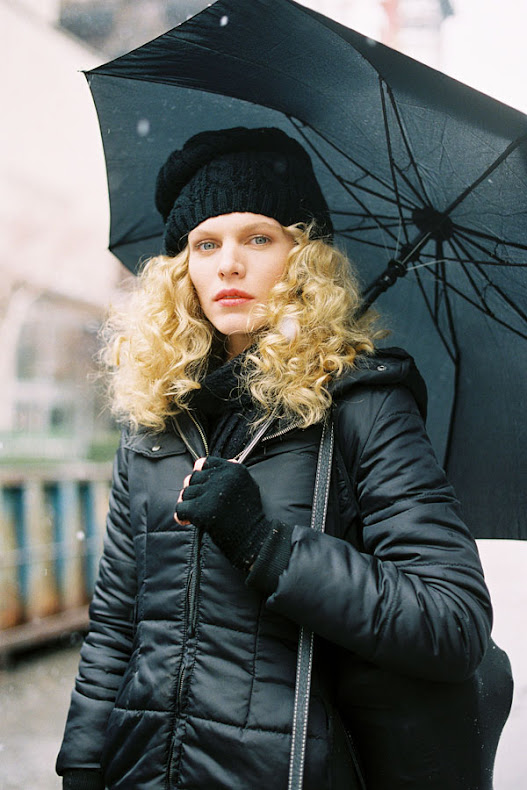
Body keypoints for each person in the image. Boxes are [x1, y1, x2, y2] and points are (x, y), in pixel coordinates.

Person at [56, 127, 511, 790]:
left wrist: (267, 546)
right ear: (181, 269)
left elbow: (451, 622)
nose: (228, 265)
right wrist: (82, 763)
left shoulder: (362, 406)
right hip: (143, 773)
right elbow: (116, 626)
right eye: (206, 244)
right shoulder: (156, 418)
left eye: (258, 238)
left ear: (302, 260)